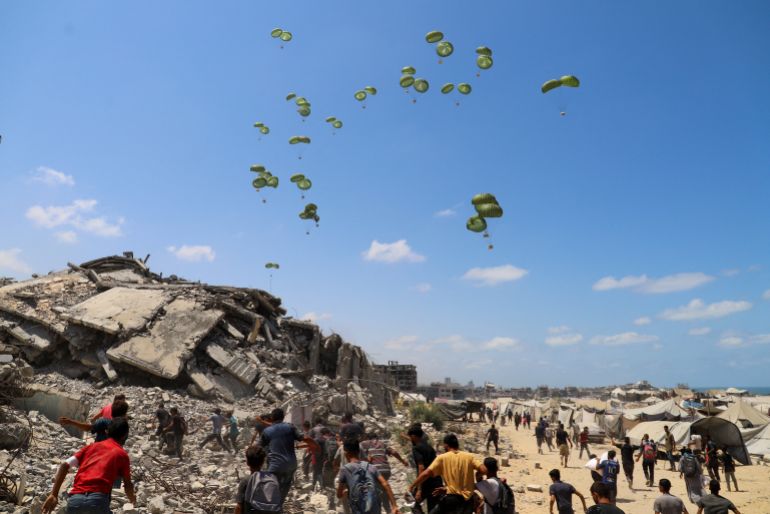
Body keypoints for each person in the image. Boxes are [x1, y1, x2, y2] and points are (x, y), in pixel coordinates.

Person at [42, 418, 135, 514]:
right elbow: (127, 485)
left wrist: (54, 494)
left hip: (75, 501)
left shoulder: (89, 447)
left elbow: (65, 465)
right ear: (125, 436)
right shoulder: (122, 454)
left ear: (106, 431)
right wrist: (132, 499)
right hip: (98, 502)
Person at [411, 433, 487, 514]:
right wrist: (478, 475)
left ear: (446, 445)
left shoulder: (442, 458)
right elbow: (484, 470)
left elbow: (426, 474)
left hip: (452, 500)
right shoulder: (469, 457)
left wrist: (412, 486)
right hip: (468, 502)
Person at [260, 407, 320, 501]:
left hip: (275, 465)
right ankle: (279, 504)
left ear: (272, 417)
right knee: (284, 489)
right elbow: (305, 438)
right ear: (283, 417)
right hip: (290, 465)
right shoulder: (290, 427)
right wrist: (317, 446)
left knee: (270, 491)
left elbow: (260, 449)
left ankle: (272, 505)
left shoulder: (267, 431)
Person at [338, 440, 401, 514]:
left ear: (345, 453)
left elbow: (339, 495)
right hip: (374, 507)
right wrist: (394, 506)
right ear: (359, 451)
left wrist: (344, 492)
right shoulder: (370, 467)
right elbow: (386, 484)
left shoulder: (345, 470)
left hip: (358, 509)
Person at [361, 432, 408, 513]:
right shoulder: (382, 444)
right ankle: (389, 510)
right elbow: (394, 452)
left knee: (374, 492)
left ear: (368, 438)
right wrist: (403, 461)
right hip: (386, 470)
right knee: (383, 491)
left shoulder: (365, 443)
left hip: (375, 471)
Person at [407, 425, 443, 514]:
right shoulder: (429, 447)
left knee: (412, 502)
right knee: (432, 509)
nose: (410, 439)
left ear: (413, 436)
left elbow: (421, 468)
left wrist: (419, 489)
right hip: (436, 481)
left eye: (410, 437)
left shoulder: (416, 448)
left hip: (426, 482)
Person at [234, 446, 281, 514]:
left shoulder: (246, 481)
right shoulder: (273, 478)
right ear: (262, 462)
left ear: (247, 462)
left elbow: (239, 507)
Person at [60, 400, 129, 442]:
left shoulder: (104, 422)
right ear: (123, 415)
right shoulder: (124, 428)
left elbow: (89, 428)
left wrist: (71, 422)